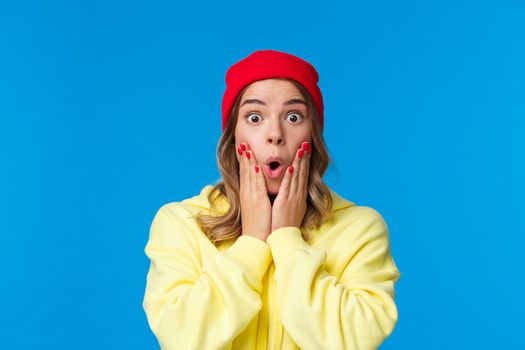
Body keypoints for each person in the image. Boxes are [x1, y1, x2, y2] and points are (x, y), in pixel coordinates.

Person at [142, 49, 401, 350]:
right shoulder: (180, 223)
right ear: (233, 137)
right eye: (254, 117)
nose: (275, 134)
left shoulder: (361, 228)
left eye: (293, 117)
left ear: (313, 134)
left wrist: (287, 239)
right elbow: (183, 340)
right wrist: (252, 242)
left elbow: (351, 340)